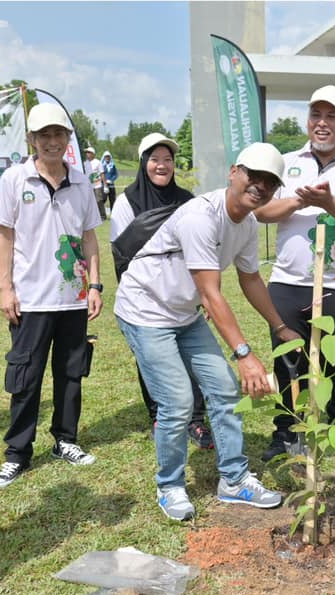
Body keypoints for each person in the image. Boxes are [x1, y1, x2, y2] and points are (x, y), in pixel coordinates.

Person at [115, 143, 295, 520]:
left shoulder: (247, 223)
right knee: (178, 401)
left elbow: (250, 279)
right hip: (146, 311)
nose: (260, 186)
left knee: (224, 389)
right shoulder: (201, 216)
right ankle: (170, 485)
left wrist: (279, 327)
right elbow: (211, 293)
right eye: (253, 176)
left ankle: (233, 480)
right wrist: (244, 355)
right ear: (233, 172)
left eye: (270, 181)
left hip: (184, 314)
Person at [254, 85, 335, 463]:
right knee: (287, 359)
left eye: (331, 117)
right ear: (307, 121)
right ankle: (285, 432)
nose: (322, 124)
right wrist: (298, 199)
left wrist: (329, 202)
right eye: (316, 115)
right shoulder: (286, 161)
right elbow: (262, 211)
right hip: (288, 283)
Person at [0, 103, 103, 489]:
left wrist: (96, 285)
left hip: (72, 298)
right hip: (31, 300)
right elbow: (4, 235)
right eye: (45, 136)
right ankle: (17, 453)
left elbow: (89, 238)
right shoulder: (15, 179)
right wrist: (6, 288)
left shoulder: (83, 183)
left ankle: (65, 440)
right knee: (26, 378)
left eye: (59, 135)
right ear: (32, 140)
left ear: (68, 139)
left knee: (71, 374)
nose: (52, 142)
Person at [110, 132, 213, 449]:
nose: (162, 165)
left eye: (168, 159)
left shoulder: (187, 200)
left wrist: (204, 294)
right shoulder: (127, 202)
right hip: (146, 303)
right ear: (144, 163)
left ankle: (195, 421)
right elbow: (121, 255)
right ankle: (158, 415)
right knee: (152, 362)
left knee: (190, 361)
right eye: (155, 159)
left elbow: (201, 250)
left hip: (183, 300)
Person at [84, 146, 106, 220]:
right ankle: (92, 217)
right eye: (86, 152)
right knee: (89, 201)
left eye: (89, 152)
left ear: (93, 154)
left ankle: (103, 216)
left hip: (97, 185)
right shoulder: (85, 162)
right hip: (87, 185)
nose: (87, 154)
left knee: (99, 200)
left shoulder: (98, 162)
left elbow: (102, 174)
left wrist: (105, 185)